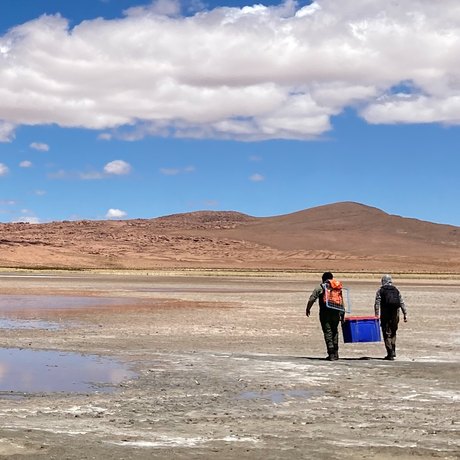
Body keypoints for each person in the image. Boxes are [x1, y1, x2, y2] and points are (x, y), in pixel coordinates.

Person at [306, 272, 344, 361]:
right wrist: (342, 313)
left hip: (325, 313)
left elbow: (312, 298)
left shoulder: (321, 287)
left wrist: (308, 308)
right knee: (335, 332)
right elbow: (341, 301)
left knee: (328, 332)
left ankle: (331, 354)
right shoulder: (337, 288)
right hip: (336, 312)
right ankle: (336, 353)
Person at [374, 274, 408, 360]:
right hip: (395, 314)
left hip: (385, 314)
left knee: (386, 333)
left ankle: (390, 353)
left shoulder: (380, 290)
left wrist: (376, 315)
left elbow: (377, 304)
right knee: (393, 332)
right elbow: (401, 302)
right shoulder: (396, 290)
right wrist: (405, 314)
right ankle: (393, 350)